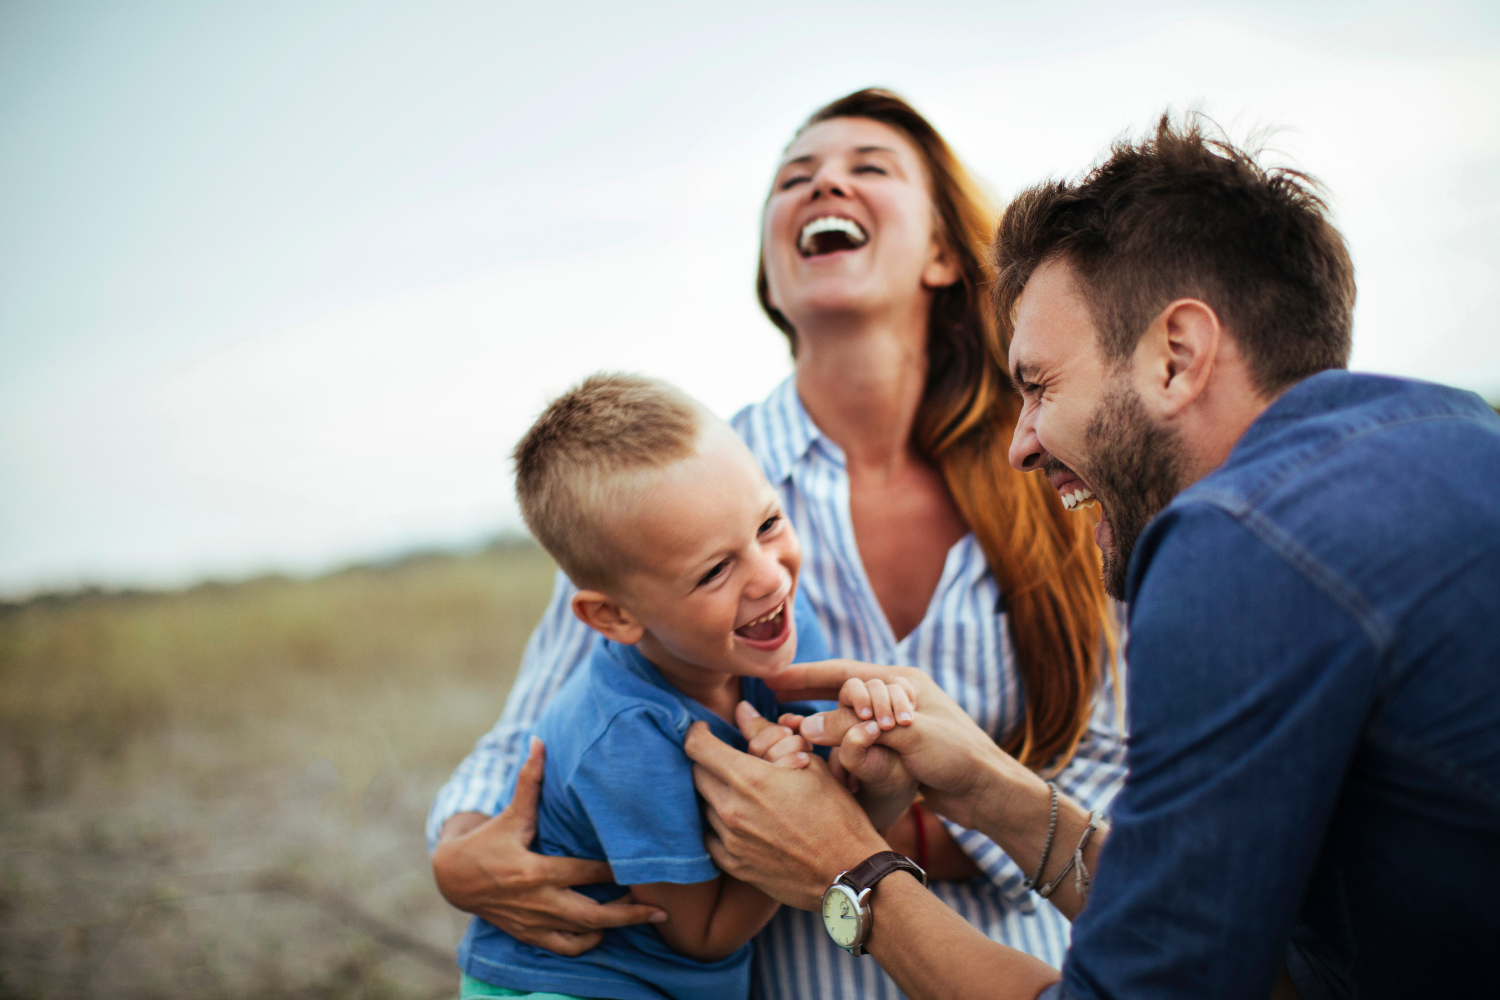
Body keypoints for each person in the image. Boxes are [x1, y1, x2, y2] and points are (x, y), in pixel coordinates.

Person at [682, 115, 1500, 1000]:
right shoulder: (1457, 434)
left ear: (1176, 359)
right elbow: (1264, 976)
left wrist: (849, 869)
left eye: (1038, 386)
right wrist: (994, 787)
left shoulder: (1234, 543)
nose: (1020, 445)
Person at [428, 89, 1128, 999]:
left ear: (945, 253)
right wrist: (459, 850)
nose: (823, 181)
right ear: (773, 268)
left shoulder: (1052, 467)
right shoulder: (675, 490)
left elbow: (1119, 767)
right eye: (793, 177)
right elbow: (537, 727)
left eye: (867, 168)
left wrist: (855, 825)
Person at [455, 372, 890, 999]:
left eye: (768, 524)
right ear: (615, 617)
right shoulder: (625, 734)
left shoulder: (779, 621)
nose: (769, 577)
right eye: (715, 570)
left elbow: (843, 773)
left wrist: (872, 724)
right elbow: (704, 934)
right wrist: (798, 806)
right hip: (566, 982)